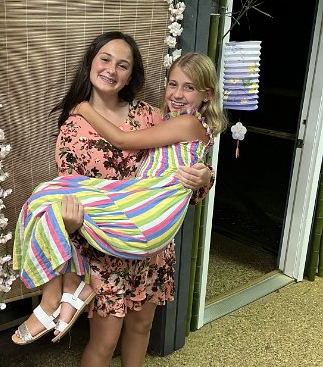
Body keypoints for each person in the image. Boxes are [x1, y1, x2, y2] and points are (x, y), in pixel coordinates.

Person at [13, 32, 216, 367]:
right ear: (91, 62)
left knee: (141, 326)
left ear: (131, 74)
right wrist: (71, 223)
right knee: (104, 340)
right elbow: (72, 191)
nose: (111, 70)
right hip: (105, 248)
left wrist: (205, 178)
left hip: (150, 244)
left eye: (122, 64)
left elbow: (182, 169)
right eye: (105, 59)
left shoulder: (150, 114)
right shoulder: (74, 126)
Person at [13, 53, 225, 344]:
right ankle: (66, 291)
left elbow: (123, 140)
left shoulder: (177, 121)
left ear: (206, 94)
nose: (177, 94)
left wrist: (83, 108)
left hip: (144, 216)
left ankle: (53, 300)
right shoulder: (167, 120)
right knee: (46, 198)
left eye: (189, 87)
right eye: (173, 84)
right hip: (133, 208)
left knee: (46, 196)